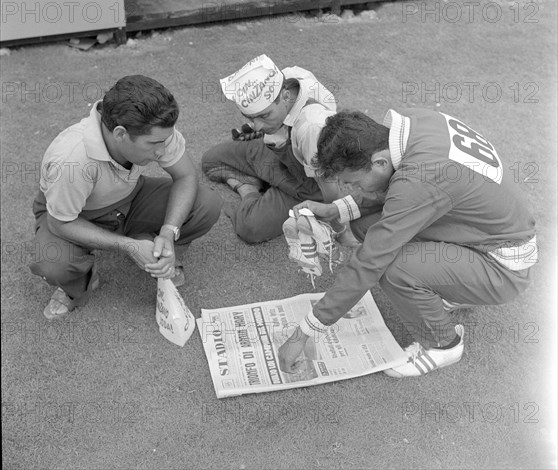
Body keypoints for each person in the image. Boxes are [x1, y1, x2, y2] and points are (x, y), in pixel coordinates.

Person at [278, 109, 537, 377]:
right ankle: (448, 288)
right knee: (365, 225)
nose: (352, 189)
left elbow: (370, 262)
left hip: (503, 270)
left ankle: (444, 344)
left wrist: (304, 332)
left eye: (352, 182)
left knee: (393, 269)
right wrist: (334, 210)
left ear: (379, 162)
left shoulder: (421, 178)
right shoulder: (419, 126)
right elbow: (404, 189)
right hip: (486, 236)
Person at [30, 75, 223, 320]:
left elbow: (185, 177)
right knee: (53, 264)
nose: (162, 151)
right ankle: (76, 284)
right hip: (74, 215)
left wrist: (168, 231)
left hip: (129, 199)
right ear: (120, 133)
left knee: (206, 204)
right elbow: (60, 222)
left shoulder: (154, 127)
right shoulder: (71, 161)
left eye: (165, 140)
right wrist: (127, 246)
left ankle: (156, 247)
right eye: (154, 144)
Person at [202, 54, 369, 244]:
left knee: (250, 227)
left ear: (285, 96)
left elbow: (329, 192)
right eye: (251, 118)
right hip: (278, 154)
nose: (257, 126)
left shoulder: (312, 129)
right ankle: (258, 180)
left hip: (306, 183)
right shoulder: (290, 77)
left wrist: (339, 232)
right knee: (211, 160)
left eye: (264, 116)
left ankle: (248, 188)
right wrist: (264, 129)